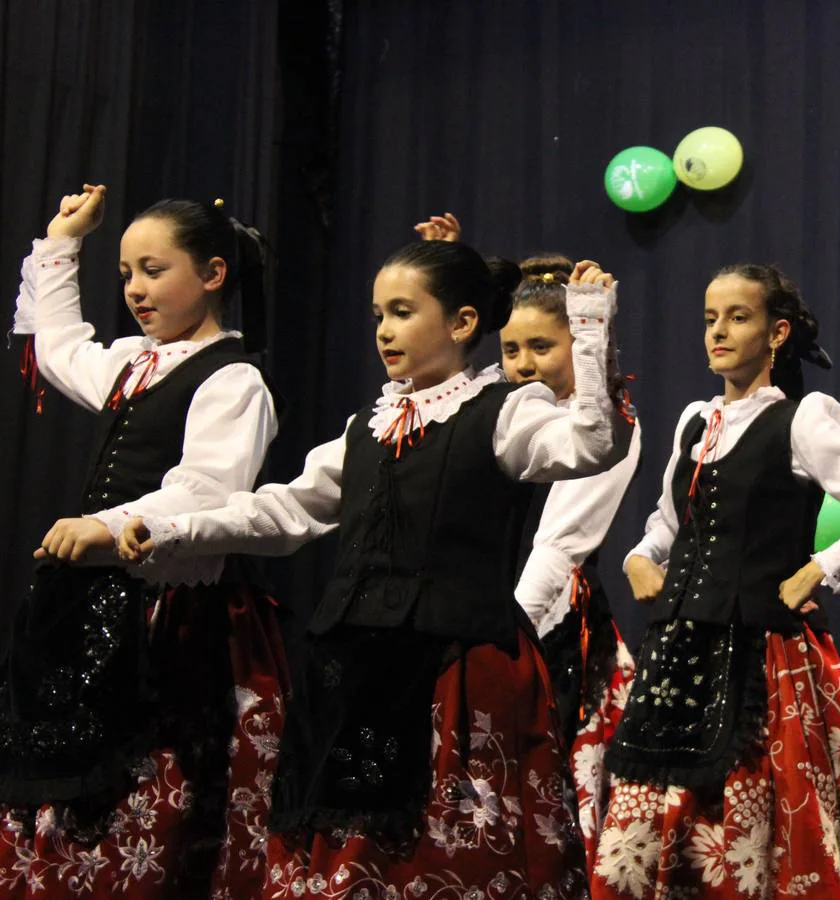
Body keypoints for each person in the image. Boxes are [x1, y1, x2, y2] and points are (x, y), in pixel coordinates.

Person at [119, 241, 633, 898]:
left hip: (454, 670)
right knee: (345, 847)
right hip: (353, 670)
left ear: (463, 322)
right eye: (376, 315)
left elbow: (592, 442)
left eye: (401, 312)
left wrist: (590, 327)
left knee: (446, 851)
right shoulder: (368, 425)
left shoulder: (504, 412)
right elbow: (283, 512)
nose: (385, 330)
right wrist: (172, 528)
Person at [593, 264, 840, 899]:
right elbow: (670, 517)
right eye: (710, 319)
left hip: (761, 657)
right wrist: (641, 554)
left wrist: (820, 567)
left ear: (776, 333)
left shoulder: (802, 419)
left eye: (737, 317)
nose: (718, 331)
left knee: (751, 828)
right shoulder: (697, 420)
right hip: (680, 654)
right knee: (644, 833)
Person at [0, 185, 286, 898]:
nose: (134, 289)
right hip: (99, 604)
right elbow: (58, 347)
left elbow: (206, 490)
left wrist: (105, 525)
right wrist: (65, 240)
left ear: (214, 275)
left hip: (175, 615)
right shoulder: (133, 363)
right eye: (126, 272)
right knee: (71, 797)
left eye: (153, 270)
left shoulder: (233, 379)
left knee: (154, 803)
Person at [501, 253, 641, 872]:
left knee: (548, 803)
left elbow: (557, 547)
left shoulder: (608, 426)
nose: (523, 364)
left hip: (551, 635)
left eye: (540, 346)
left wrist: (506, 641)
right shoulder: (503, 419)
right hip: (480, 618)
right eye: (510, 349)